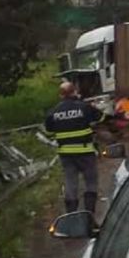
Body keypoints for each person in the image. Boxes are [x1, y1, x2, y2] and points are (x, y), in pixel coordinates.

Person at [44, 82, 104, 214]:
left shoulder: (53, 112)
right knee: (91, 182)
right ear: (74, 92)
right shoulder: (84, 107)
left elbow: (48, 131)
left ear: (60, 95)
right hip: (85, 151)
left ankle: (71, 214)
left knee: (71, 182)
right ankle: (89, 214)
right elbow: (101, 117)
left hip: (66, 154)